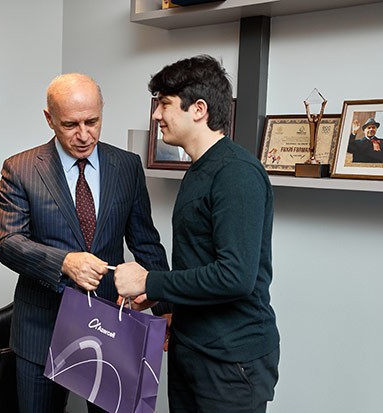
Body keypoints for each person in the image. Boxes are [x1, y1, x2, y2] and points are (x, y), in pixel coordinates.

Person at [0, 73, 169, 413]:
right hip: (40, 330)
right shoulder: (20, 168)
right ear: (49, 119)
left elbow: (146, 240)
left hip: (111, 325)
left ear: (102, 111)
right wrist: (64, 262)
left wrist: (165, 307)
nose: (84, 135)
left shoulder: (127, 166)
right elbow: (7, 242)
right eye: (71, 124)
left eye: (93, 121)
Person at [114, 55, 280, 413]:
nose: (156, 115)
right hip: (191, 348)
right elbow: (199, 261)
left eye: (165, 104)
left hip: (230, 362)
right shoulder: (199, 169)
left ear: (199, 109)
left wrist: (149, 282)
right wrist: (163, 302)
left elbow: (235, 277)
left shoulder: (236, 173)